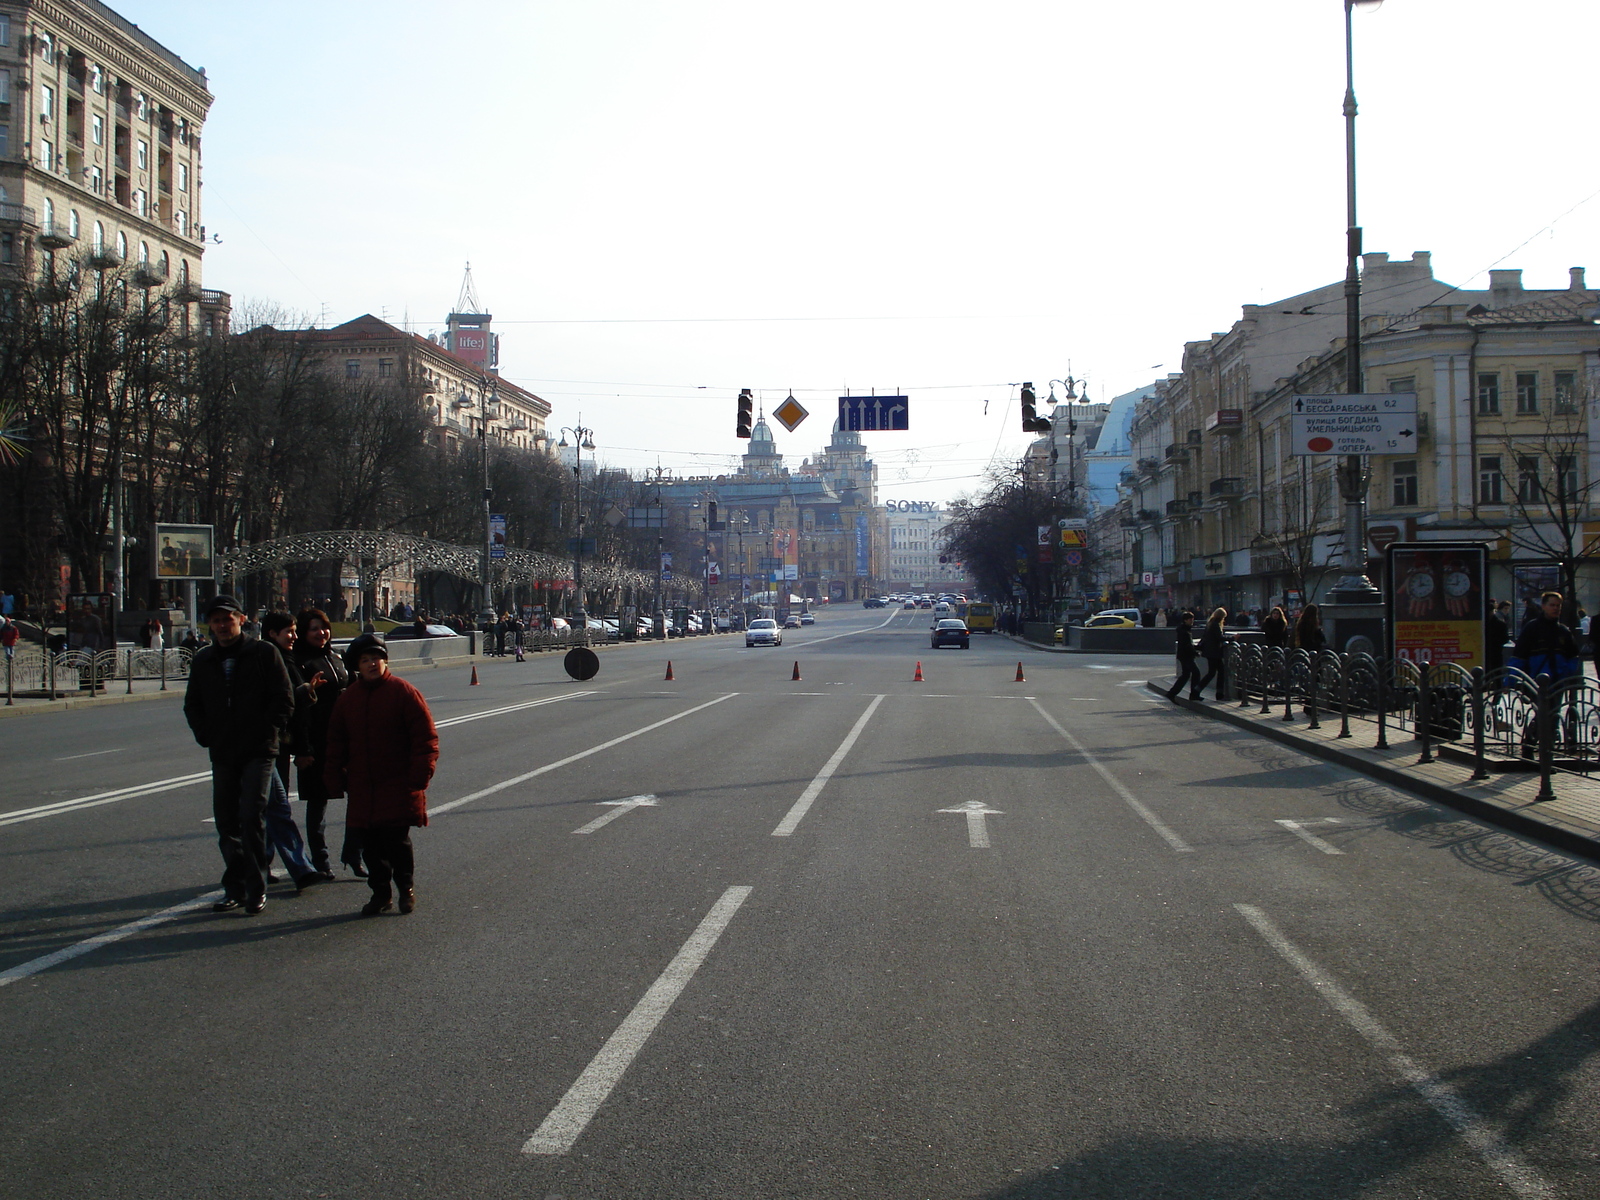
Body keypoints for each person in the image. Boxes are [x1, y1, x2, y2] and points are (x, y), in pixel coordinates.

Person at [182, 595, 293, 915]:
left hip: (258, 750)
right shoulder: (204, 659)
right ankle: (235, 887)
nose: (222, 625)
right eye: (216, 620)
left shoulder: (262, 653)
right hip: (223, 751)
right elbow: (193, 704)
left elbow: (283, 699)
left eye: (228, 619)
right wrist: (206, 735)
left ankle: (256, 887)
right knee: (227, 821)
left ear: (242, 620)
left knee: (250, 817)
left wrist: (269, 729)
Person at [324, 634, 438, 916]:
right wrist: (334, 778)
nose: (372, 664)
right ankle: (381, 893)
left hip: (398, 783)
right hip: (363, 786)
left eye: (376, 658)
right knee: (370, 846)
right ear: (357, 667)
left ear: (385, 660)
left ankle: (405, 889)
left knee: (397, 842)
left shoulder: (403, 692)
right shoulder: (349, 699)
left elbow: (425, 739)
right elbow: (336, 742)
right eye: (365, 660)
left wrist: (419, 776)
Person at [258, 612, 329, 890]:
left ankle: (264, 864)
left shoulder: (286, 659)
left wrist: (305, 691)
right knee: (275, 806)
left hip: (280, 742)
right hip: (268, 743)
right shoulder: (267, 660)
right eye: (289, 631)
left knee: (271, 806)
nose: (294, 636)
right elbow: (280, 700)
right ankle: (297, 867)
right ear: (272, 633)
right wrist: (304, 692)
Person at [293, 607, 355, 877]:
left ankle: (355, 854)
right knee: (318, 803)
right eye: (314, 629)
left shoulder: (337, 658)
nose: (321, 633)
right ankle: (321, 860)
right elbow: (298, 711)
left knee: (359, 796)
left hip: (345, 739)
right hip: (317, 740)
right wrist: (303, 749)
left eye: (324, 627)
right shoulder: (300, 663)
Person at [1510, 591, 1579, 679]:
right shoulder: (1532, 628)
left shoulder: (1563, 631)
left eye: (1558, 605)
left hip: (1557, 682)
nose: (1555, 608)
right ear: (1543, 606)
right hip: (1533, 681)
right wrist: (1511, 679)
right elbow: (1519, 656)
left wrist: (1566, 673)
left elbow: (1573, 656)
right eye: (1552, 605)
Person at [1166, 610, 1201, 702]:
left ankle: (1172, 693)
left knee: (1185, 675)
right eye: (1190, 619)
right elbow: (1187, 645)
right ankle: (1194, 694)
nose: (1192, 621)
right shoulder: (1184, 631)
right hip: (1187, 656)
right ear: (1185, 620)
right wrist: (1195, 652)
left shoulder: (1184, 630)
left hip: (1184, 656)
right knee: (1196, 673)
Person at [1194, 607, 1228, 700]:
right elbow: (1219, 637)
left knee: (1214, 672)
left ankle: (1198, 690)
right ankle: (1217, 693)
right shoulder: (1215, 625)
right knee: (1216, 672)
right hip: (1214, 652)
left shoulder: (1210, 624)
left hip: (1210, 652)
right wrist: (1232, 638)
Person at [1485, 600, 1510, 674]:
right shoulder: (1501, 624)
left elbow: (1505, 639)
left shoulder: (1484, 624)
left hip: (1494, 652)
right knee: (1497, 673)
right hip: (1497, 653)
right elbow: (1505, 639)